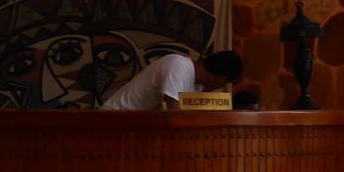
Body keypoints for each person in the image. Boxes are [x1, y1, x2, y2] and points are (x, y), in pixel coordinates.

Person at [101, 49, 244, 111]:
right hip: (111, 122)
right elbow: (173, 115)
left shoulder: (198, 85)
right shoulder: (178, 65)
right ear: (221, 79)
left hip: (134, 127)